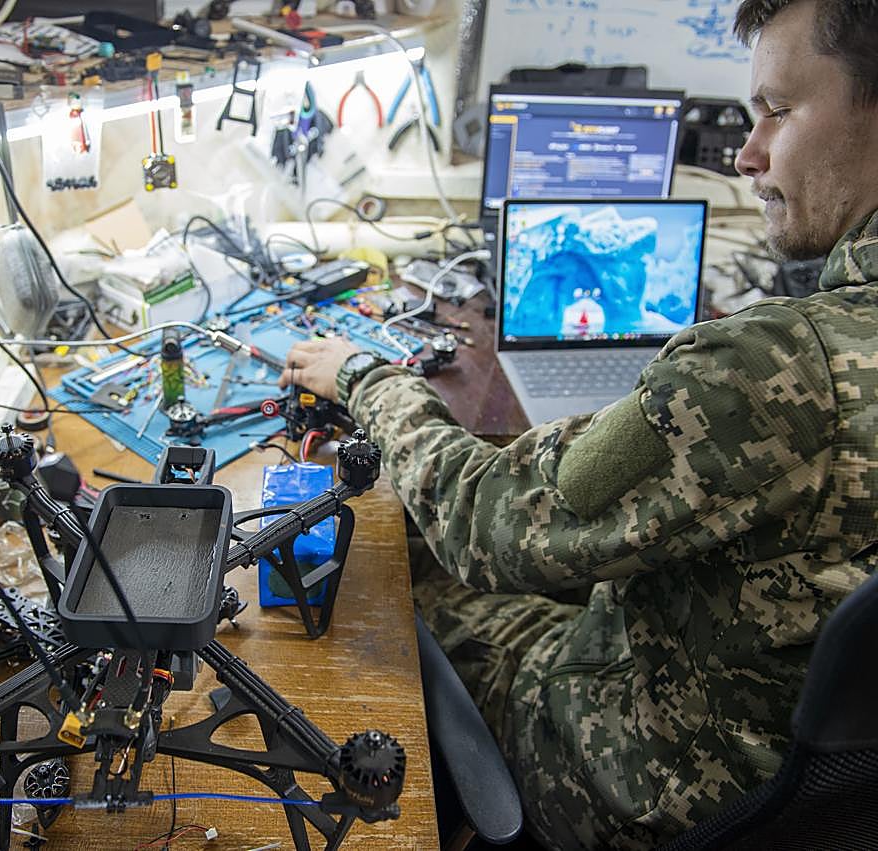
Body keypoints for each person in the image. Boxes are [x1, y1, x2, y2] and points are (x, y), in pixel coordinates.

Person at [279, 1, 878, 847]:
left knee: (396, 563)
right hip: (810, 774)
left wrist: (366, 378)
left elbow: (487, 521)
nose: (748, 154)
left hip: (655, 783)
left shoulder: (775, 366)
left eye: (778, 110)